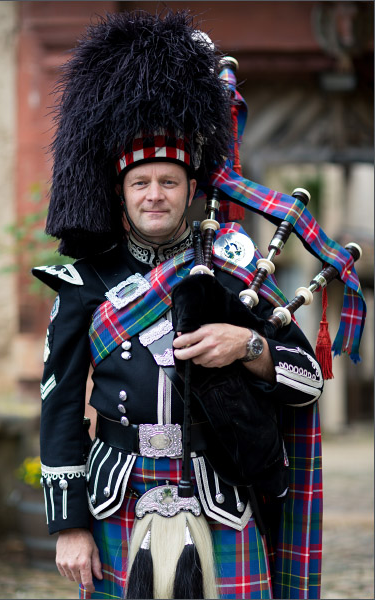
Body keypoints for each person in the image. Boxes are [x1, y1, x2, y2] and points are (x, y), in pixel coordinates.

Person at [32, 10, 365, 600]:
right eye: (142, 184)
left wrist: (250, 345)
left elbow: (308, 381)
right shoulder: (86, 282)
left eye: (168, 182)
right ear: (122, 193)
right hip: (118, 495)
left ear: (191, 191)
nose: (154, 195)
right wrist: (68, 525)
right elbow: (59, 408)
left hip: (219, 495)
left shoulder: (237, 279)